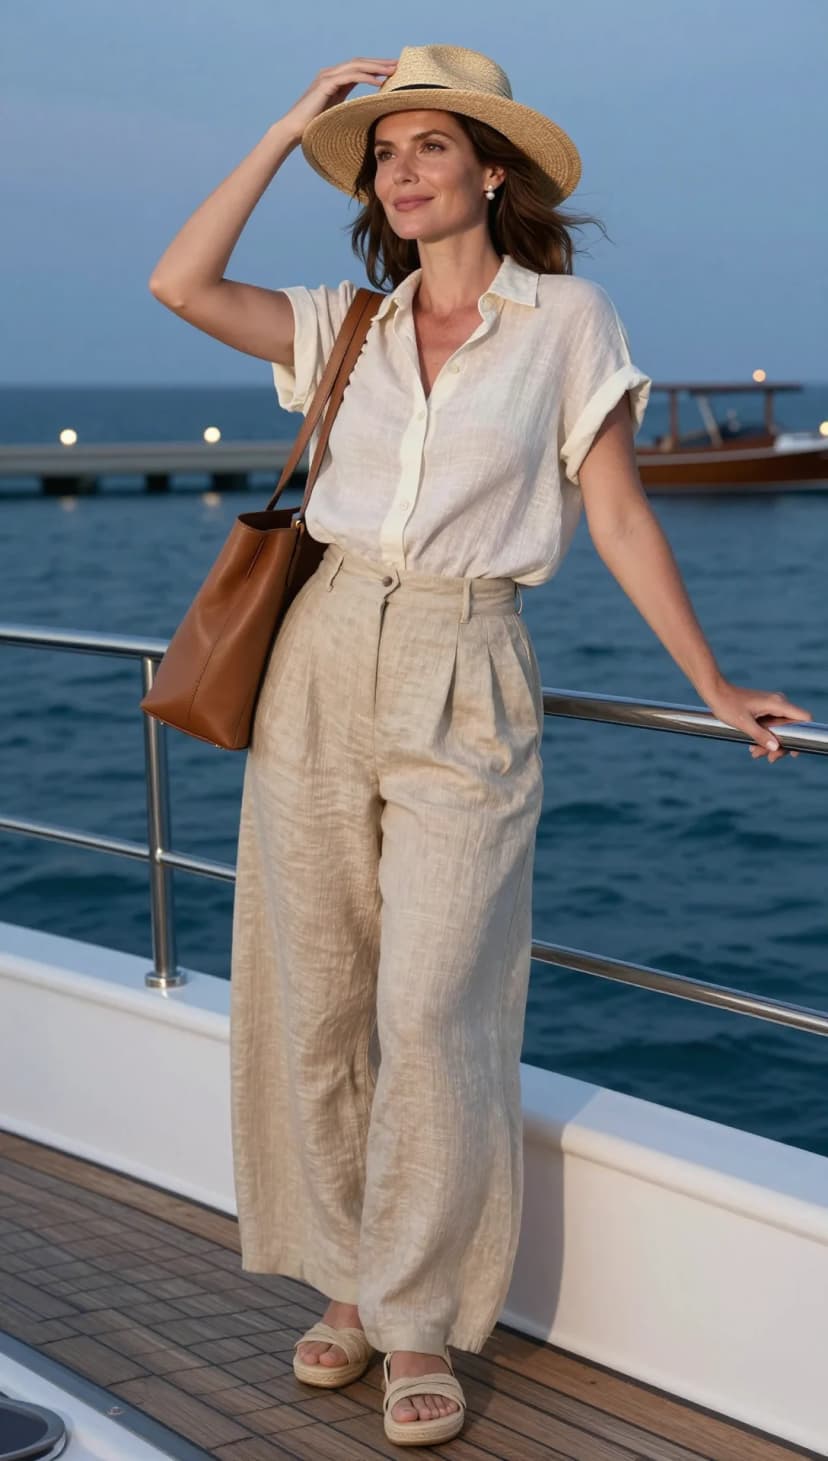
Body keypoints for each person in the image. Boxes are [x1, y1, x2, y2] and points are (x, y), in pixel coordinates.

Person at [148, 44, 812, 1449]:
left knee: (437, 1009)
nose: (402, 169)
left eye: (431, 145)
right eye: (385, 152)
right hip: (320, 653)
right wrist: (282, 130)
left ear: (490, 173)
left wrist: (710, 681)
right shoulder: (343, 324)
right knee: (315, 993)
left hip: (470, 656)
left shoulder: (567, 321)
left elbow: (620, 514)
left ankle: (419, 1317)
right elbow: (180, 284)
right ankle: (345, 1283)